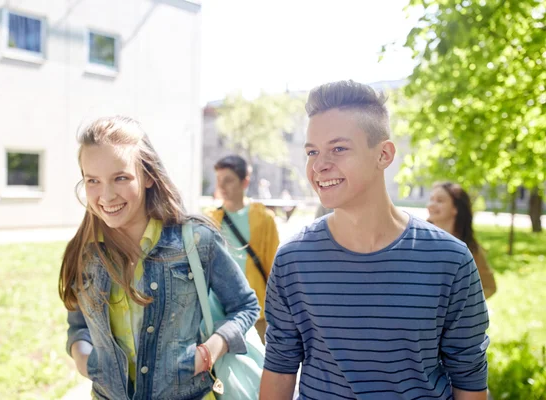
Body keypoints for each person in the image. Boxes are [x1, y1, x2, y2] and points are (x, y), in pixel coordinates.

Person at [260, 81, 490, 400]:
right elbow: (279, 368)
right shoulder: (292, 260)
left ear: (383, 154)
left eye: (338, 148)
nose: (319, 165)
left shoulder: (451, 260)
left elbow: (469, 376)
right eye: (312, 151)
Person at [58, 116, 259, 400]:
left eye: (121, 178)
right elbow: (79, 324)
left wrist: (211, 350)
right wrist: (83, 357)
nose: (106, 195)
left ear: (148, 176)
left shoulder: (196, 240)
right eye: (93, 180)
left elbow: (246, 305)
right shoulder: (83, 252)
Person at [207, 155, 280, 343]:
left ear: (244, 182)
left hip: (256, 309)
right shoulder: (209, 219)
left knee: (262, 366)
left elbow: (274, 266)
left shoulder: (264, 218)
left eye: (228, 180)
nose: (222, 186)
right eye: (219, 180)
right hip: (219, 309)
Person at [427, 181, 497, 299]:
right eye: (431, 199)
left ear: (455, 208)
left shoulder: (470, 249)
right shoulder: (419, 242)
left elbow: (489, 287)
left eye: (439, 200)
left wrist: (461, 305)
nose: (430, 205)